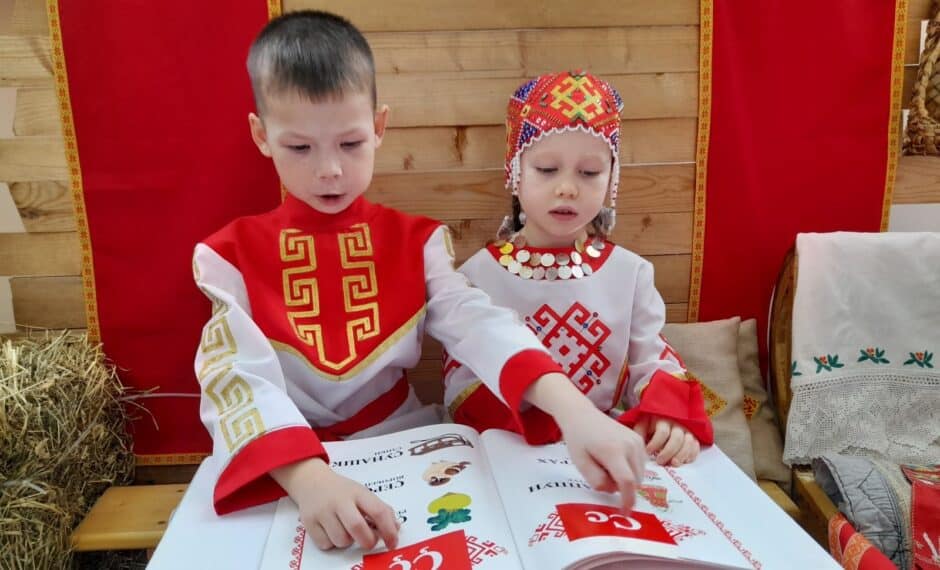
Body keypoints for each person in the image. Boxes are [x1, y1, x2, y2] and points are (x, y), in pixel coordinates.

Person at [193, 14, 650, 554]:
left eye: (350, 143)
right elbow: (234, 377)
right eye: (300, 148)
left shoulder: (418, 242)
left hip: (405, 442)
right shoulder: (228, 255)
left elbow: (477, 322)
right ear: (261, 135)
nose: (329, 170)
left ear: (379, 127)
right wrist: (306, 477)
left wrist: (573, 411)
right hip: (283, 460)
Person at [444, 70, 714, 474]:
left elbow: (653, 360)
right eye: (547, 169)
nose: (568, 188)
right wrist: (561, 422)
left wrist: (668, 417)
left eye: (589, 173)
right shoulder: (477, 278)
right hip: (511, 454)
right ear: (515, 171)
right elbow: (461, 389)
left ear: (612, 179)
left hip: (606, 456)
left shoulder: (630, 274)